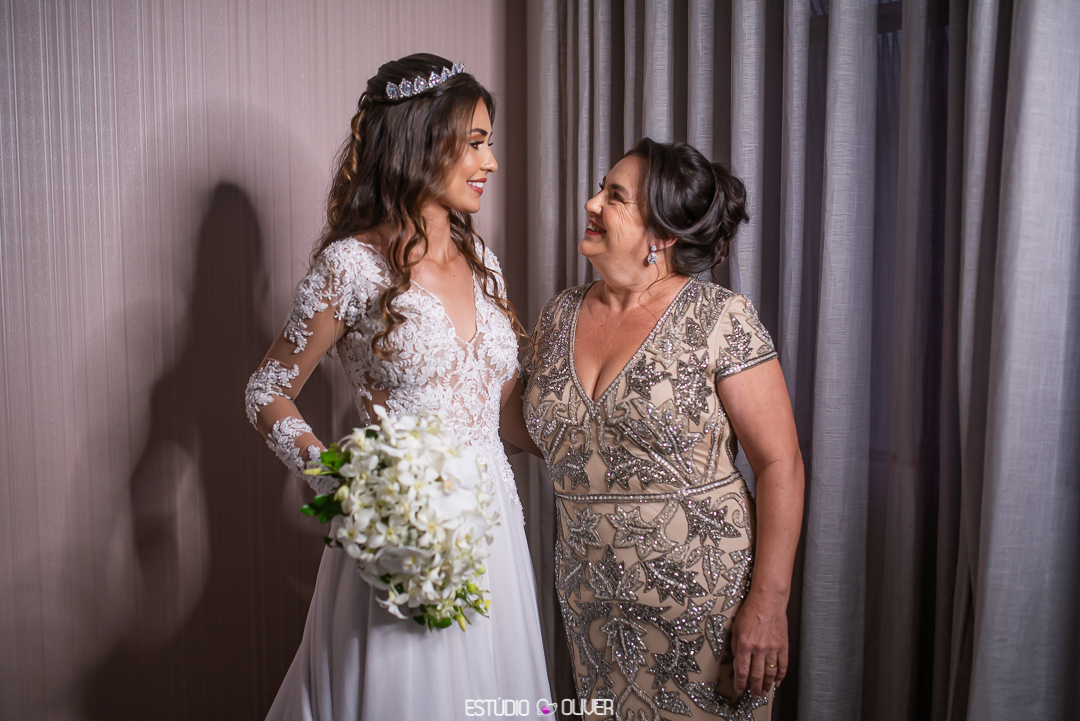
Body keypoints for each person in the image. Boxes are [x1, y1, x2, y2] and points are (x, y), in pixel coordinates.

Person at [245, 54, 550, 720]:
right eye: (475, 143)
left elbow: (496, 413)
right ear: (420, 140)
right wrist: (346, 485)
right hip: (404, 541)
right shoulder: (349, 265)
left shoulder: (482, 262)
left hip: (495, 538)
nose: (490, 161)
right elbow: (266, 390)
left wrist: (575, 427)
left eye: (488, 143)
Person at [522, 138, 804, 721]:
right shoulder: (557, 316)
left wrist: (770, 603)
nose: (590, 203)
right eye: (601, 189)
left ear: (663, 235)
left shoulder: (720, 318)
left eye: (614, 197)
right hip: (592, 603)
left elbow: (781, 464)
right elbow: (543, 435)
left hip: (702, 607)